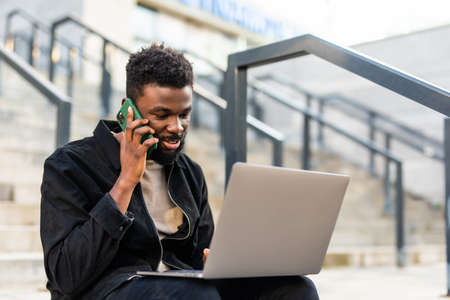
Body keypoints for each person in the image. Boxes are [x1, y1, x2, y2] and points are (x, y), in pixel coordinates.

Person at [40, 43, 319, 300]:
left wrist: (218, 263)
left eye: (184, 114)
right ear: (128, 111)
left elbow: (201, 254)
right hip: (107, 290)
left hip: (181, 285)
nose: (177, 127)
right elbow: (66, 276)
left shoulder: (189, 173)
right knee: (197, 296)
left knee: (296, 288)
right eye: (162, 115)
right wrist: (125, 181)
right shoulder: (70, 165)